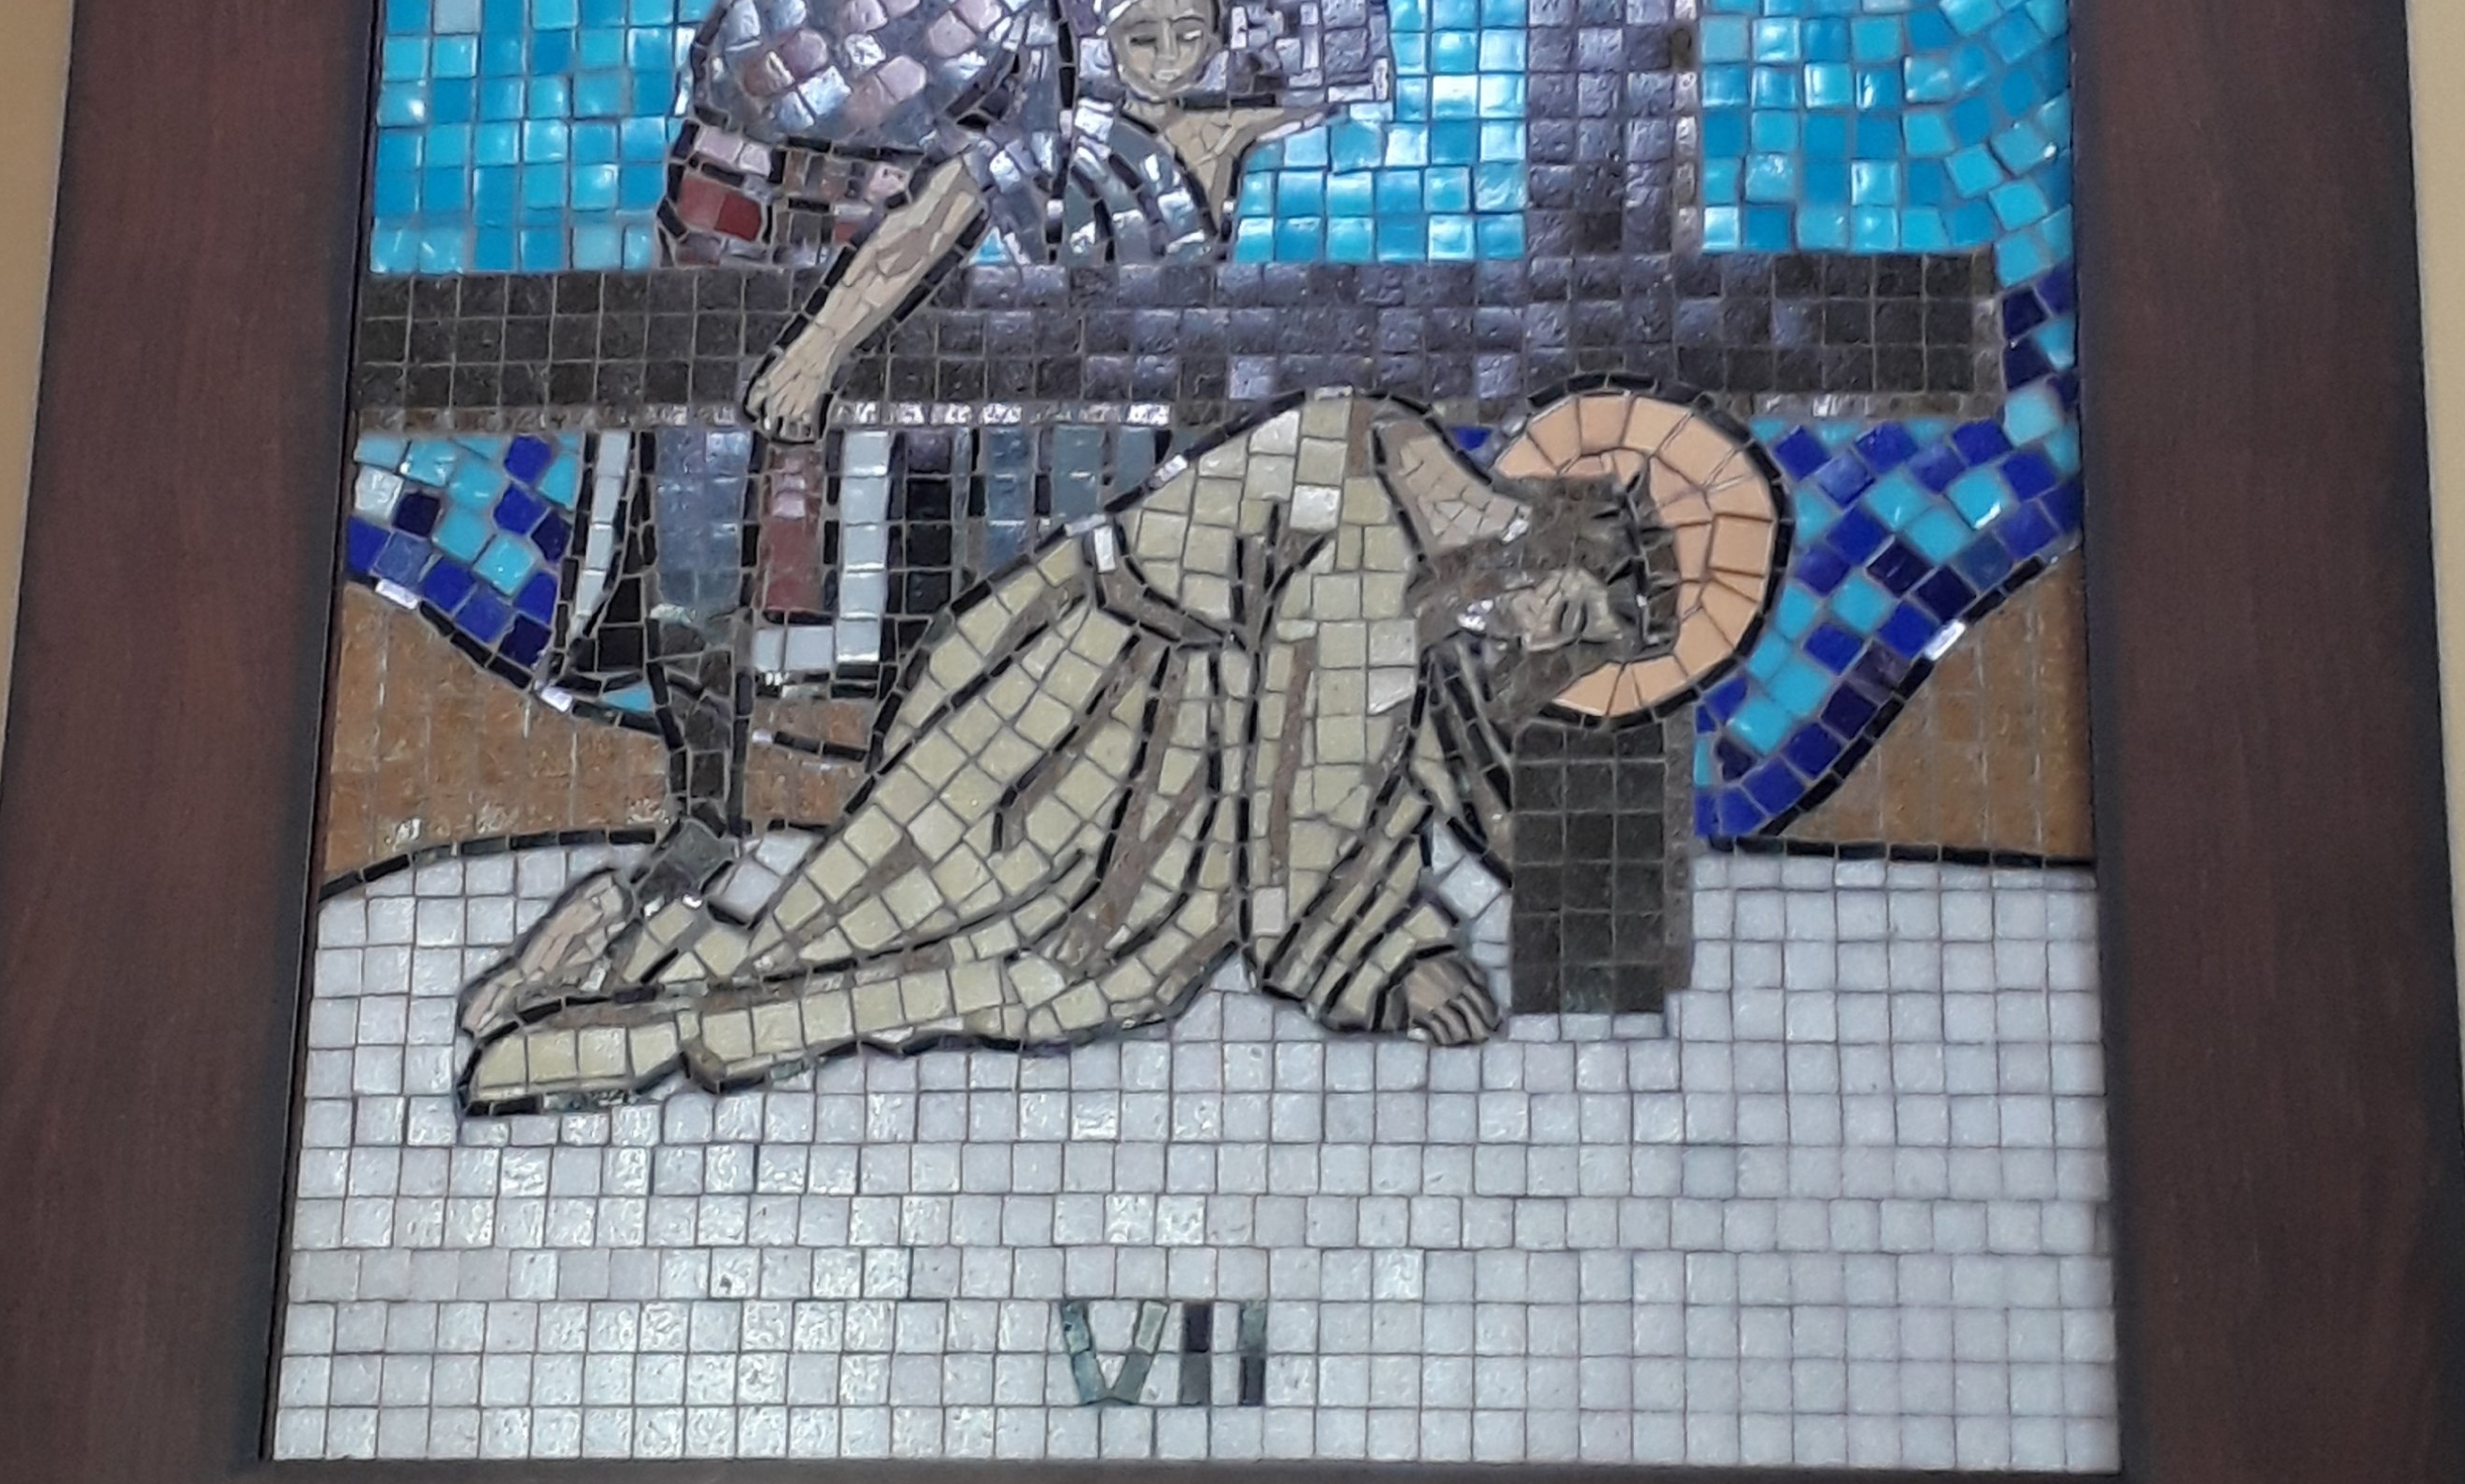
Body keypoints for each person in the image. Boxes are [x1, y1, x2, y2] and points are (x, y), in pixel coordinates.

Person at [457, 388, 1715, 1113]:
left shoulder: (1408, 474)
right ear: (1560, 539)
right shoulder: (1376, 568)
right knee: (992, 968)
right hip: (1086, 734)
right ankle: (600, 1030)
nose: (1548, 644)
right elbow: (1317, 801)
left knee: (886, 935)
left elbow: (1369, 743)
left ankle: (640, 947)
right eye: (1572, 616)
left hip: (1090, 683)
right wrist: (1388, 964)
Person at [546, 0, 1248, 909]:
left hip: (879, 297)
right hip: (712, 262)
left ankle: (902, 808)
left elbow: (947, 209)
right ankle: (703, 809)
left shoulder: (1028, 34)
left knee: (912, 540)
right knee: (694, 541)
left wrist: (822, 344)